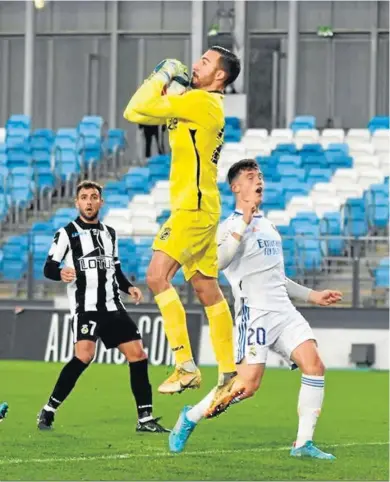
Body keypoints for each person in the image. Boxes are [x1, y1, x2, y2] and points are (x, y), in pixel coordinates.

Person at [169, 159, 342, 459]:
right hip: (255, 315)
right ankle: (190, 416)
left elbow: (277, 277)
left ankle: (303, 445)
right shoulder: (228, 228)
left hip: (284, 312)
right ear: (236, 187)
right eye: (250, 177)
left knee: (314, 365)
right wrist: (242, 225)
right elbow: (217, 263)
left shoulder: (270, 226)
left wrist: (313, 295)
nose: (258, 180)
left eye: (259, 176)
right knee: (246, 386)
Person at [123, 47, 244, 418]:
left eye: (205, 63)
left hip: (192, 207)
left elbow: (135, 106)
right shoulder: (197, 103)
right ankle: (228, 373)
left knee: (156, 276)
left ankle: (186, 366)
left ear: (220, 77)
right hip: (202, 205)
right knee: (207, 289)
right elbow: (136, 111)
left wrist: (162, 74)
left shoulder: (200, 103)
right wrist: (169, 86)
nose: (195, 64)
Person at [37, 180, 169, 434]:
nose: (89, 201)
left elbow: (115, 269)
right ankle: (49, 409)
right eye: (84, 197)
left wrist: (128, 287)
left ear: (101, 202)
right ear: (77, 203)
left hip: (112, 306)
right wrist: (61, 272)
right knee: (85, 355)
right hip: (86, 307)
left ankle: (145, 419)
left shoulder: (110, 234)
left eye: (93, 197)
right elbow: (48, 266)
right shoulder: (66, 233)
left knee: (138, 355)